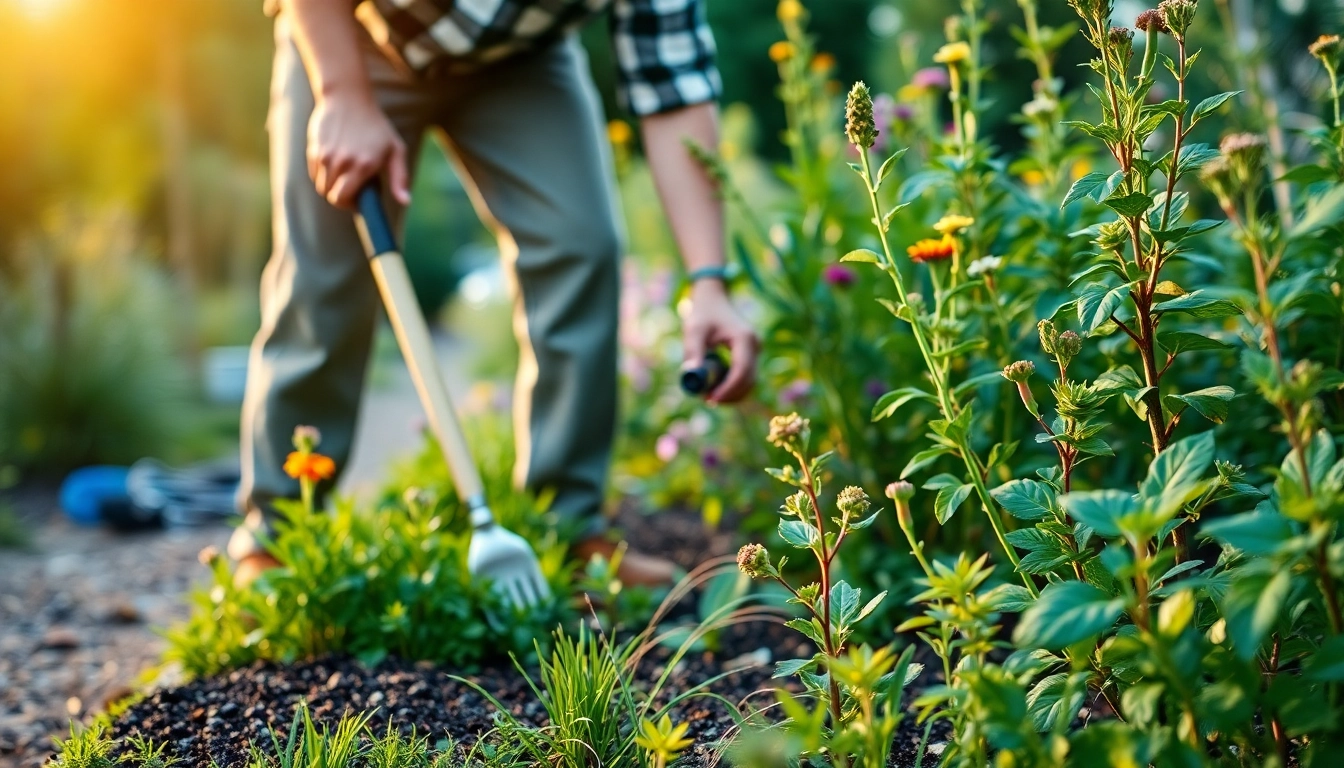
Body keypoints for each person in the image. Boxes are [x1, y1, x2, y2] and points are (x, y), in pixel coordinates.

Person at [228, 0, 759, 587]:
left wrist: (709, 281)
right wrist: (342, 93)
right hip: (356, 31)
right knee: (325, 272)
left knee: (579, 245)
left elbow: (674, 85)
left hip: (519, 56)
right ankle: (276, 537)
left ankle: (566, 532)